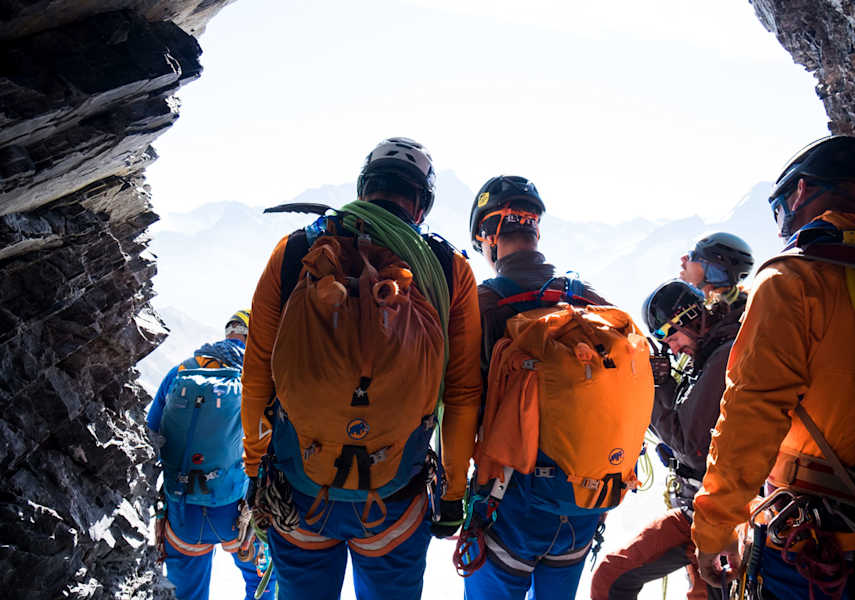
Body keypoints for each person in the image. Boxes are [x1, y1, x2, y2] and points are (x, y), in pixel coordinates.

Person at [241, 137, 482, 600]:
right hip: (396, 495)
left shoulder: (295, 252)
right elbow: (462, 393)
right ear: (422, 203)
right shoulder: (449, 269)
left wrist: (255, 467)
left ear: (364, 185)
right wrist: (452, 495)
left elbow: (257, 376)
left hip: (299, 488)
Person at [463, 175, 651, 600]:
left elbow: (460, 401)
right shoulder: (588, 301)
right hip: (585, 502)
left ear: (488, 237)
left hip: (508, 505)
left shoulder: (485, 304)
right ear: (535, 231)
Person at [692, 135, 855, 600]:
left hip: (818, 544)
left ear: (801, 193)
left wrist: (717, 523)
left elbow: (753, 409)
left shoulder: (797, 278)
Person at [590, 280, 743, 599]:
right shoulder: (711, 354)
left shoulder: (722, 356)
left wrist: (659, 387)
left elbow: (691, 447)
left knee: (611, 579)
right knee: (612, 576)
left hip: (714, 514)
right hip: (701, 508)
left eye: (672, 336)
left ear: (690, 318)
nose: (673, 348)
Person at [147, 310, 270, 600]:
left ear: (229, 334)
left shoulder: (179, 373)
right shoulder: (258, 379)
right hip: (240, 512)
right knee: (263, 585)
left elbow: (152, 433)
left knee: (186, 593)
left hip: (181, 512)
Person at [679, 232, 753, 304]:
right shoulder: (713, 310)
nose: (682, 258)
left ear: (713, 270)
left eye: (691, 255)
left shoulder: (739, 311)